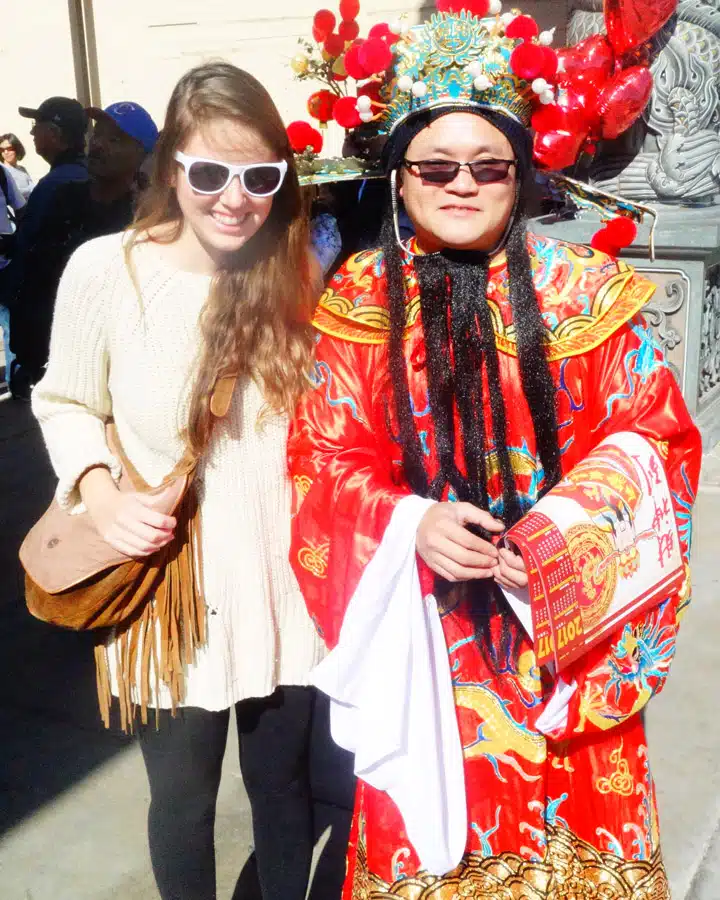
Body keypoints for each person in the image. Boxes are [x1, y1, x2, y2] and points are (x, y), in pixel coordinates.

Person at [288, 5, 702, 899]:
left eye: (489, 166)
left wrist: (561, 536)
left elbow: (655, 436)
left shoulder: (585, 293)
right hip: (424, 635)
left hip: (565, 632)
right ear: (399, 179)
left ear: (521, 175)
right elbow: (322, 457)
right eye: (436, 167)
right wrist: (409, 523)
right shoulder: (360, 299)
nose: (462, 185)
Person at [32, 62, 327, 900]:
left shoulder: (298, 272)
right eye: (209, 173)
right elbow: (64, 401)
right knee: (185, 801)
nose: (235, 199)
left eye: (259, 177)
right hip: (170, 592)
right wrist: (102, 497)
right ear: (171, 169)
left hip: (285, 588)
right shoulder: (107, 270)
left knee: (284, 791)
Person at [1, 97, 88, 400]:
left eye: (36, 125)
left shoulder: (56, 185)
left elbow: (35, 262)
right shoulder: (84, 176)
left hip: (53, 321)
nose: (32, 132)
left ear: (54, 133)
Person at [0, 161, 25, 388]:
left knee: (12, 326)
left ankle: (15, 382)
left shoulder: (1, 173)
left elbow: (21, 209)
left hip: (4, 264)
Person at [0, 133, 34, 199]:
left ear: (17, 149)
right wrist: (30, 189)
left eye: (9, 148)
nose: (6, 152)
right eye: (2, 150)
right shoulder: (2, 170)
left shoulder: (22, 169)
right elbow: (12, 194)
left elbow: (34, 189)